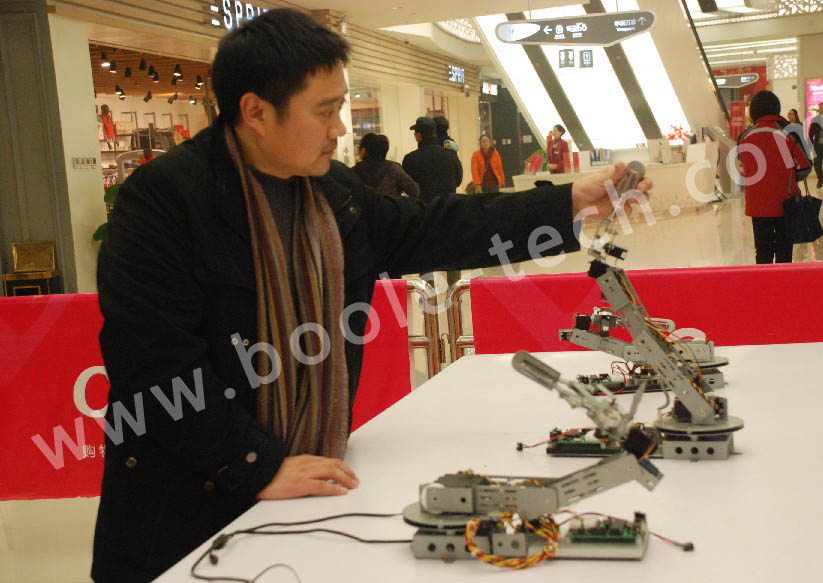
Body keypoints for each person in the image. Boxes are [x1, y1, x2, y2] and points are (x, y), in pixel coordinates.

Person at [91, 9, 651, 582]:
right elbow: (155, 366)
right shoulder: (163, 203)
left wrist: (567, 202)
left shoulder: (333, 194)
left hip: (308, 495)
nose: (339, 128)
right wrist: (256, 465)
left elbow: (434, 228)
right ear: (256, 111)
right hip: (185, 516)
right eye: (324, 111)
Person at [738, 91, 811, 264]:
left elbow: (742, 166)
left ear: (754, 110)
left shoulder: (745, 136)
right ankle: (783, 281)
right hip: (786, 202)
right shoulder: (788, 132)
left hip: (757, 203)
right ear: (776, 108)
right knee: (784, 250)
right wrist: (787, 175)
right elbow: (805, 166)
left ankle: (763, 281)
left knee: (762, 251)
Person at [401, 116, 463, 202]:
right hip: (448, 207)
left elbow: (407, 187)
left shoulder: (410, 159)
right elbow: (458, 180)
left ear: (418, 136)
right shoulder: (451, 155)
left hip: (423, 208)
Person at [352, 133, 419, 198]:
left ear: (364, 150)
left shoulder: (353, 172)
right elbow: (415, 191)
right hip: (390, 205)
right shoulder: (394, 169)